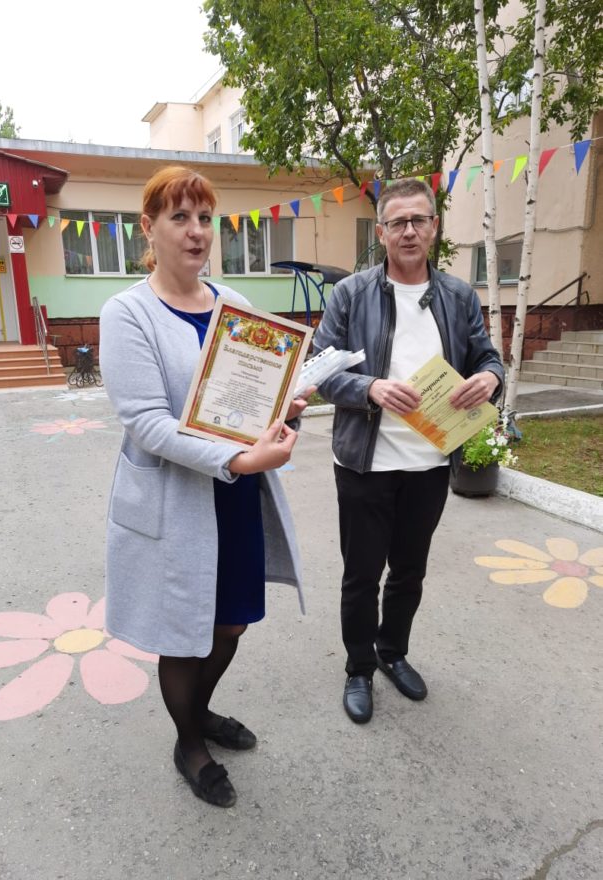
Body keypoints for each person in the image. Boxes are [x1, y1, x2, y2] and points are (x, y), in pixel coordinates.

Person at [99, 166, 310, 806]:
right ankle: (189, 742)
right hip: (176, 499)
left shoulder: (232, 304)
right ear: (149, 228)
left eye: (205, 218)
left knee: (231, 624)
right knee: (184, 631)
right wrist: (240, 458)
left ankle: (200, 709)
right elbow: (147, 422)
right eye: (180, 218)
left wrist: (283, 409)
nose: (196, 232)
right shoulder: (127, 313)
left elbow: (252, 395)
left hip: (234, 496)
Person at [312, 178, 504, 724]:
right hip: (364, 463)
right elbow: (319, 370)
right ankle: (358, 668)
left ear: (434, 227)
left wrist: (490, 378)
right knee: (361, 575)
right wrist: (369, 387)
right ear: (381, 233)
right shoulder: (351, 294)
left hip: (429, 464)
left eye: (419, 219)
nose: (409, 231)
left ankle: (392, 652)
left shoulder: (458, 297)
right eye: (398, 222)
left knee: (409, 572)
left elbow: (488, 357)